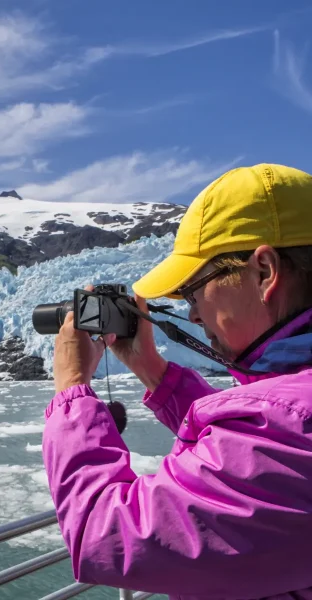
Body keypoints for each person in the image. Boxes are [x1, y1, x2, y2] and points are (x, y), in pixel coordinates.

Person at [42, 163, 312, 599]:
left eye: (193, 291)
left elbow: (108, 535)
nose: (192, 315)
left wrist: (72, 389)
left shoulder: (292, 428)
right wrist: (155, 371)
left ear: (263, 272)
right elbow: (254, 444)